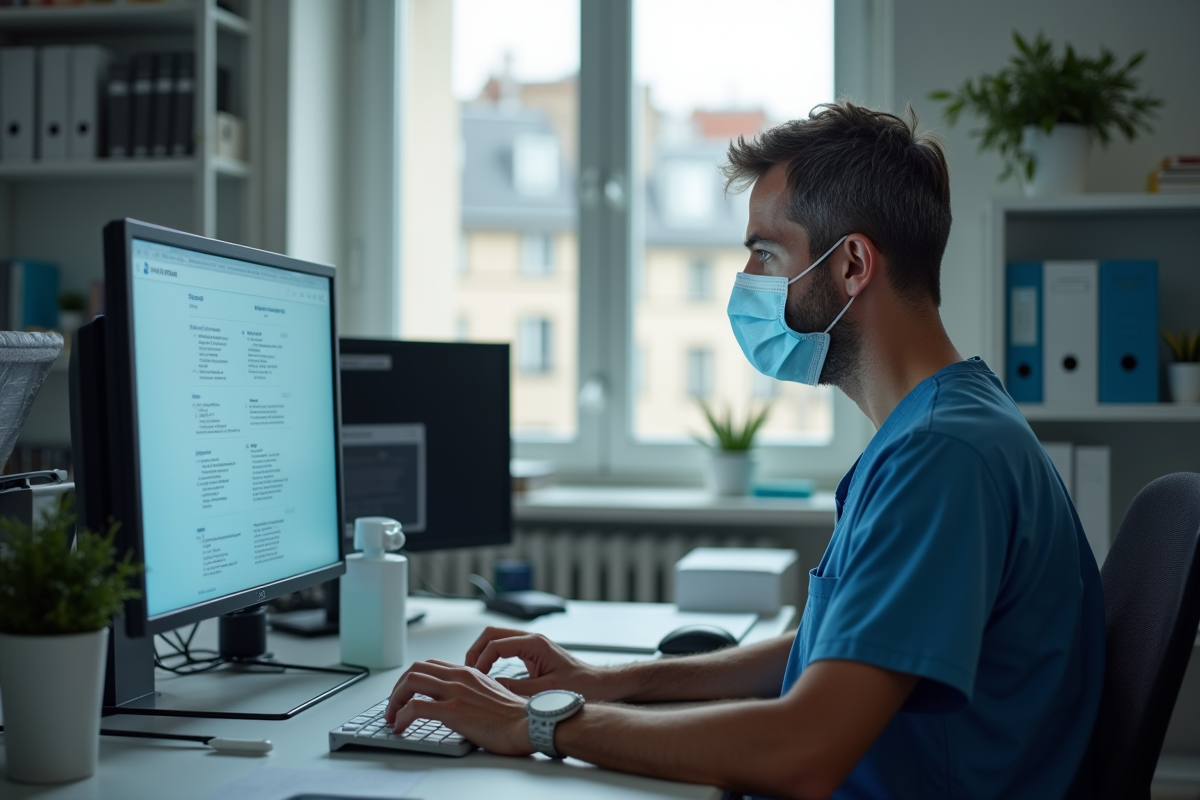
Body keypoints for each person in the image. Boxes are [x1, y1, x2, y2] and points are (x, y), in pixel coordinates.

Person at [383, 102, 1105, 800]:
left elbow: (803, 751)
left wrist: (534, 724)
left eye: (765, 252)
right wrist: (608, 682)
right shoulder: (939, 426)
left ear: (853, 264)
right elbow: (842, 646)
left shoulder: (941, 456)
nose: (749, 281)